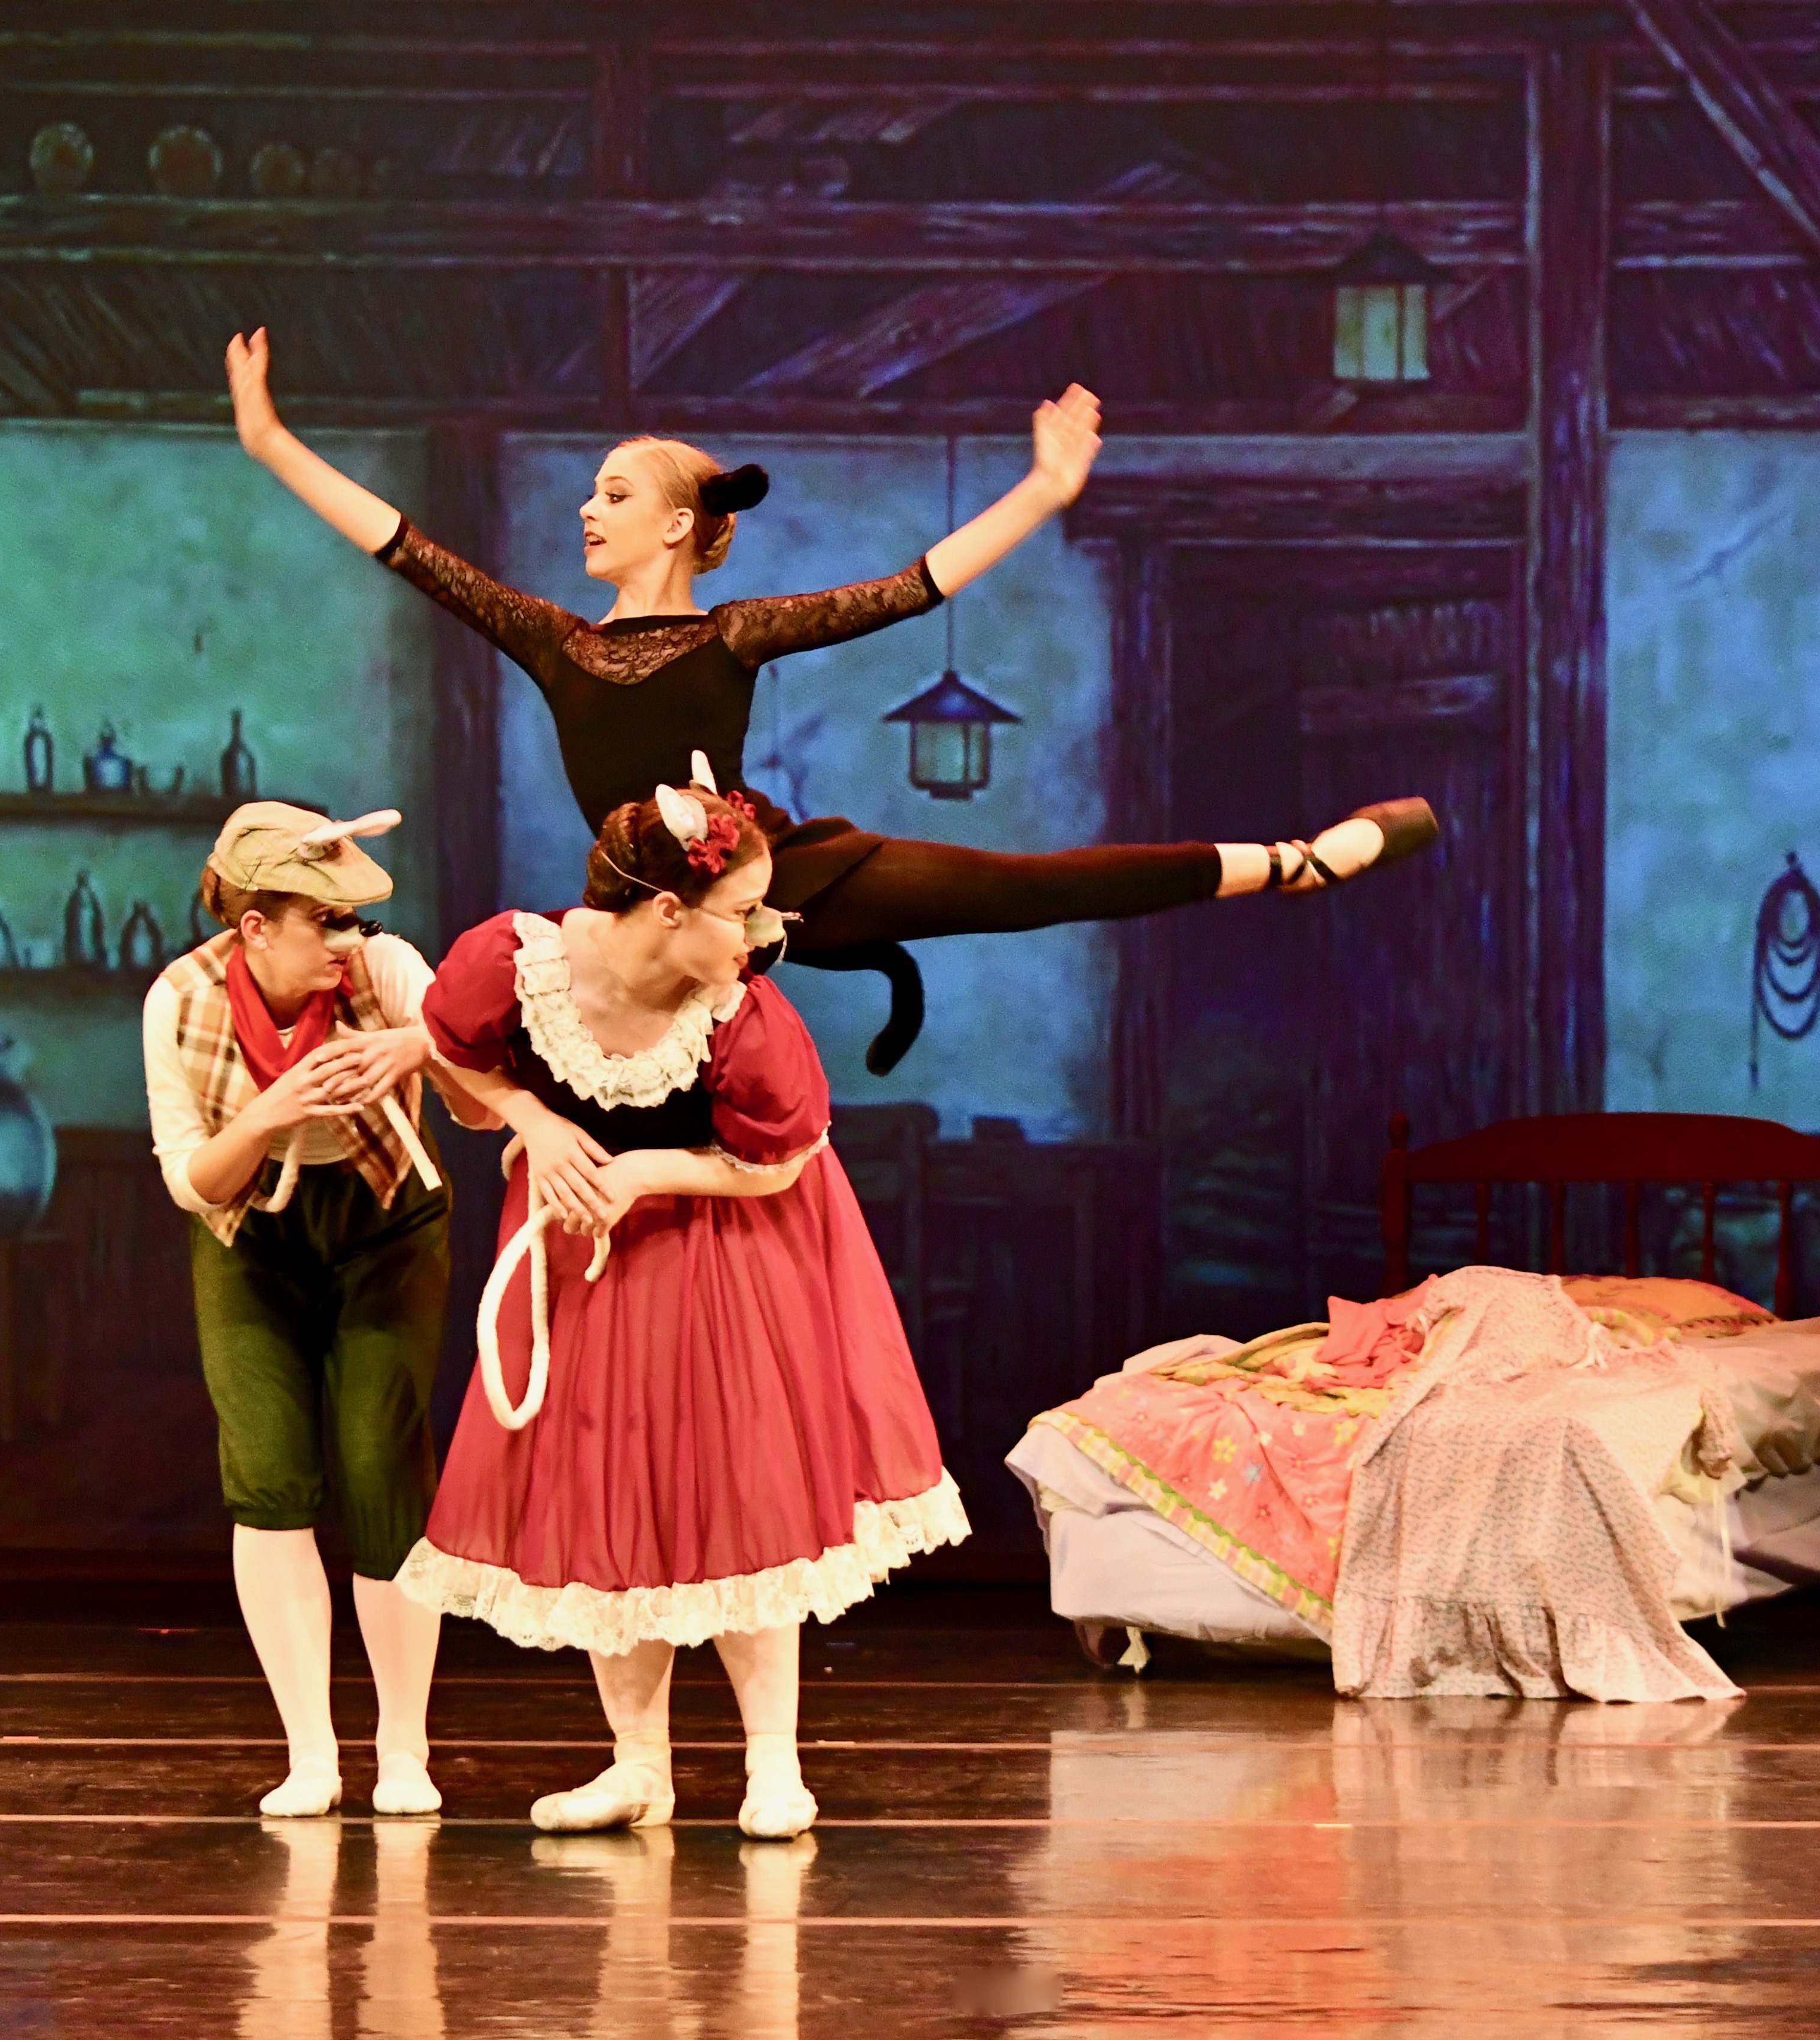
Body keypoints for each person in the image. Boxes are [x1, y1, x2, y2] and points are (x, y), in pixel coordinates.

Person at [223, 328, 1436, 1071]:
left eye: (614, 495)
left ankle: (1293, 862)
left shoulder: (733, 633)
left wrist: (1042, 491)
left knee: (1028, 887)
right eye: (589, 493)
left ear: (679, 526)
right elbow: (406, 548)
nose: (587, 510)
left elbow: (910, 589)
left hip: (771, 880)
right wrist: (271, 442)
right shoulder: (555, 641)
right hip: (637, 915)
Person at [395, 767, 962, 1839]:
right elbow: (453, 1056)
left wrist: (644, 1173)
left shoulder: (740, 1012)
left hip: (721, 1243)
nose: (762, 934)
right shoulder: (517, 962)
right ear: (665, 909)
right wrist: (537, 1122)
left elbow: (779, 1161)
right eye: (741, 911)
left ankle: (774, 1763)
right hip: (585, 1251)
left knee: (742, 1490)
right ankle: (637, 1765)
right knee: (605, 1483)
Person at [141, 799, 458, 1819]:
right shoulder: (180, 999)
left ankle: (402, 1747)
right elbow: (193, 1180)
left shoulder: (384, 970)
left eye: (351, 918)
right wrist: (269, 1112)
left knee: (381, 1466)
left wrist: (415, 1048)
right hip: (249, 1236)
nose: (346, 939)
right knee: (269, 1476)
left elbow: (479, 1071)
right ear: (257, 927)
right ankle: (311, 1753)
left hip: (382, 1223)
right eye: (325, 920)